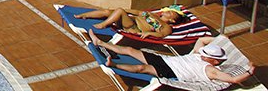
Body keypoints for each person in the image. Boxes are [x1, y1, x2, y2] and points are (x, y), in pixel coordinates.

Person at [88, 32, 255, 87]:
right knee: (131, 50)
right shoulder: (199, 54)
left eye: (206, 55)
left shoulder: (210, 70)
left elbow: (233, 79)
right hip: (166, 60)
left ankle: (114, 64)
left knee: (142, 69)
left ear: (214, 61)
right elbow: (201, 40)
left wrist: (249, 71)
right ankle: (100, 42)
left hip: (171, 71)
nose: (203, 54)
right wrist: (221, 39)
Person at [77, 5, 183, 38]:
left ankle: (103, 25)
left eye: (172, 12)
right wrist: (126, 10)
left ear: (172, 20)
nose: (169, 11)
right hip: (129, 20)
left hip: (134, 28)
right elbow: (137, 12)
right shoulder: (153, 15)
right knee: (110, 11)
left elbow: (162, 34)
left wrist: (149, 33)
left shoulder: (166, 27)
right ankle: (84, 15)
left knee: (119, 11)